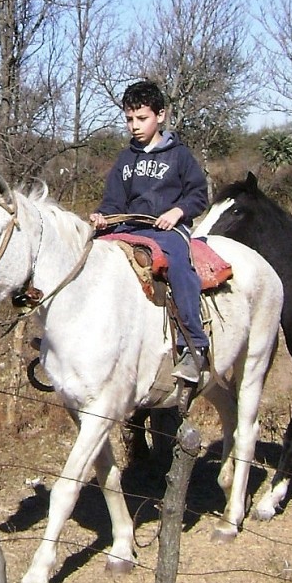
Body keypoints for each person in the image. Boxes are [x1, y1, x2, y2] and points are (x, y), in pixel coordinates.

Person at [90, 80, 210, 383]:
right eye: (129, 119)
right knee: (90, 255)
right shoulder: (125, 159)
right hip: (129, 228)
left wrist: (177, 211)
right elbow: (113, 202)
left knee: (180, 268)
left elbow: (198, 195)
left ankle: (193, 345)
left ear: (160, 115)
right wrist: (102, 217)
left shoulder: (179, 155)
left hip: (168, 231)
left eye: (141, 118)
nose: (134, 126)